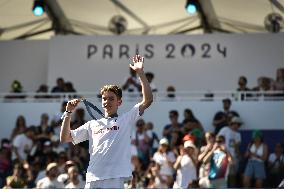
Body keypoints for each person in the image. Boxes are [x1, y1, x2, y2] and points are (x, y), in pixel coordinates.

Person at [60, 54, 153, 188]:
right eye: (104, 98)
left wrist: (140, 73)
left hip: (115, 178)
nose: (107, 101)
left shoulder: (126, 119)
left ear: (119, 102)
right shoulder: (92, 125)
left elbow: (148, 100)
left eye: (111, 98)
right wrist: (68, 112)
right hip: (92, 177)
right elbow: (65, 138)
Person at [217, 116, 242, 187]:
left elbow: (237, 148)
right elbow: (219, 140)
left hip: (232, 158)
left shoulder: (238, 135)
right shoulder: (225, 129)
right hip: (223, 157)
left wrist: (237, 157)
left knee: (232, 176)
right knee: (222, 176)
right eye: (236, 124)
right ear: (232, 123)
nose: (237, 126)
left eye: (239, 125)